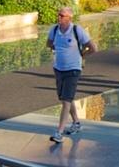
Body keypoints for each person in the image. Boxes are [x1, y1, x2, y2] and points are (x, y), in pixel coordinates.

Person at [46, 9, 98, 143]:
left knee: (66, 101)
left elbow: (93, 47)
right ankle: (76, 123)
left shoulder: (77, 30)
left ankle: (59, 132)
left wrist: (82, 55)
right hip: (58, 69)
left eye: (62, 15)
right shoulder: (54, 30)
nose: (59, 17)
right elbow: (49, 43)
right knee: (65, 98)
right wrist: (58, 50)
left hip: (73, 70)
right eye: (58, 14)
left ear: (69, 17)